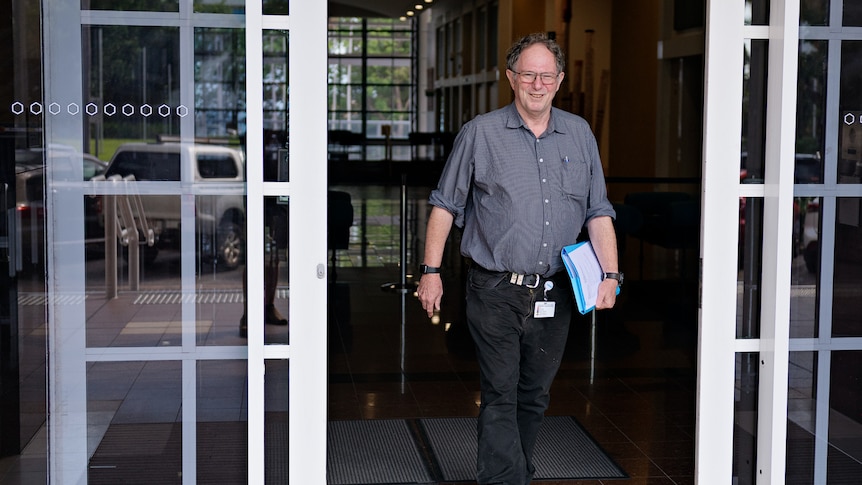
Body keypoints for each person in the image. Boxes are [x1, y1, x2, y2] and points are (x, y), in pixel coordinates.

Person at [416, 33, 621, 484]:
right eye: (528, 74)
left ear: (560, 80)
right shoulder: (481, 133)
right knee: (500, 393)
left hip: (556, 290)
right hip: (494, 290)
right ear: (511, 78)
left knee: (534, 395)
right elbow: (445, 205)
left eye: (547, 75)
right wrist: (431, 272)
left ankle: (516, 473)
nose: (537, 83)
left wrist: (610, 274)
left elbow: (598, 210)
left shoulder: (580, 133)